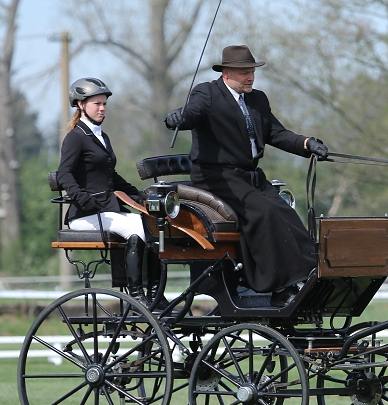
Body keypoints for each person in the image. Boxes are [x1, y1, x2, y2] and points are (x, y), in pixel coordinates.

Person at [164, 45, 329, 308]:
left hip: (249, 176)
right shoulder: (207, 93)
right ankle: (278, 287)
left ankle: (309, 272)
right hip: (215, 176)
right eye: (244, 73)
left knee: (286, 213)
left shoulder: (257, 99)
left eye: (252, 71)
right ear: (226, 73)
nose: (250, 77)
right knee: (264, 213)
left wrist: (307, 144)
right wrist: (179, 118)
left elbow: (275, 133)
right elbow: (192, 113)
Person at [57, 77, 158, 306]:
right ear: (81, 105)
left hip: (106, 212)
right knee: (136, 227)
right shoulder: (76, 138)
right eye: (97, 104)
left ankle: (154, 296)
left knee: (152, 225)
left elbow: (110, 176)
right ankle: (137, 296)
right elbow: (64, 174)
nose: (102, 108)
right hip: (85, 215)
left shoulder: (102, 136)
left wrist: (139, 194)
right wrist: (83, 199)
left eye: (104, 104)